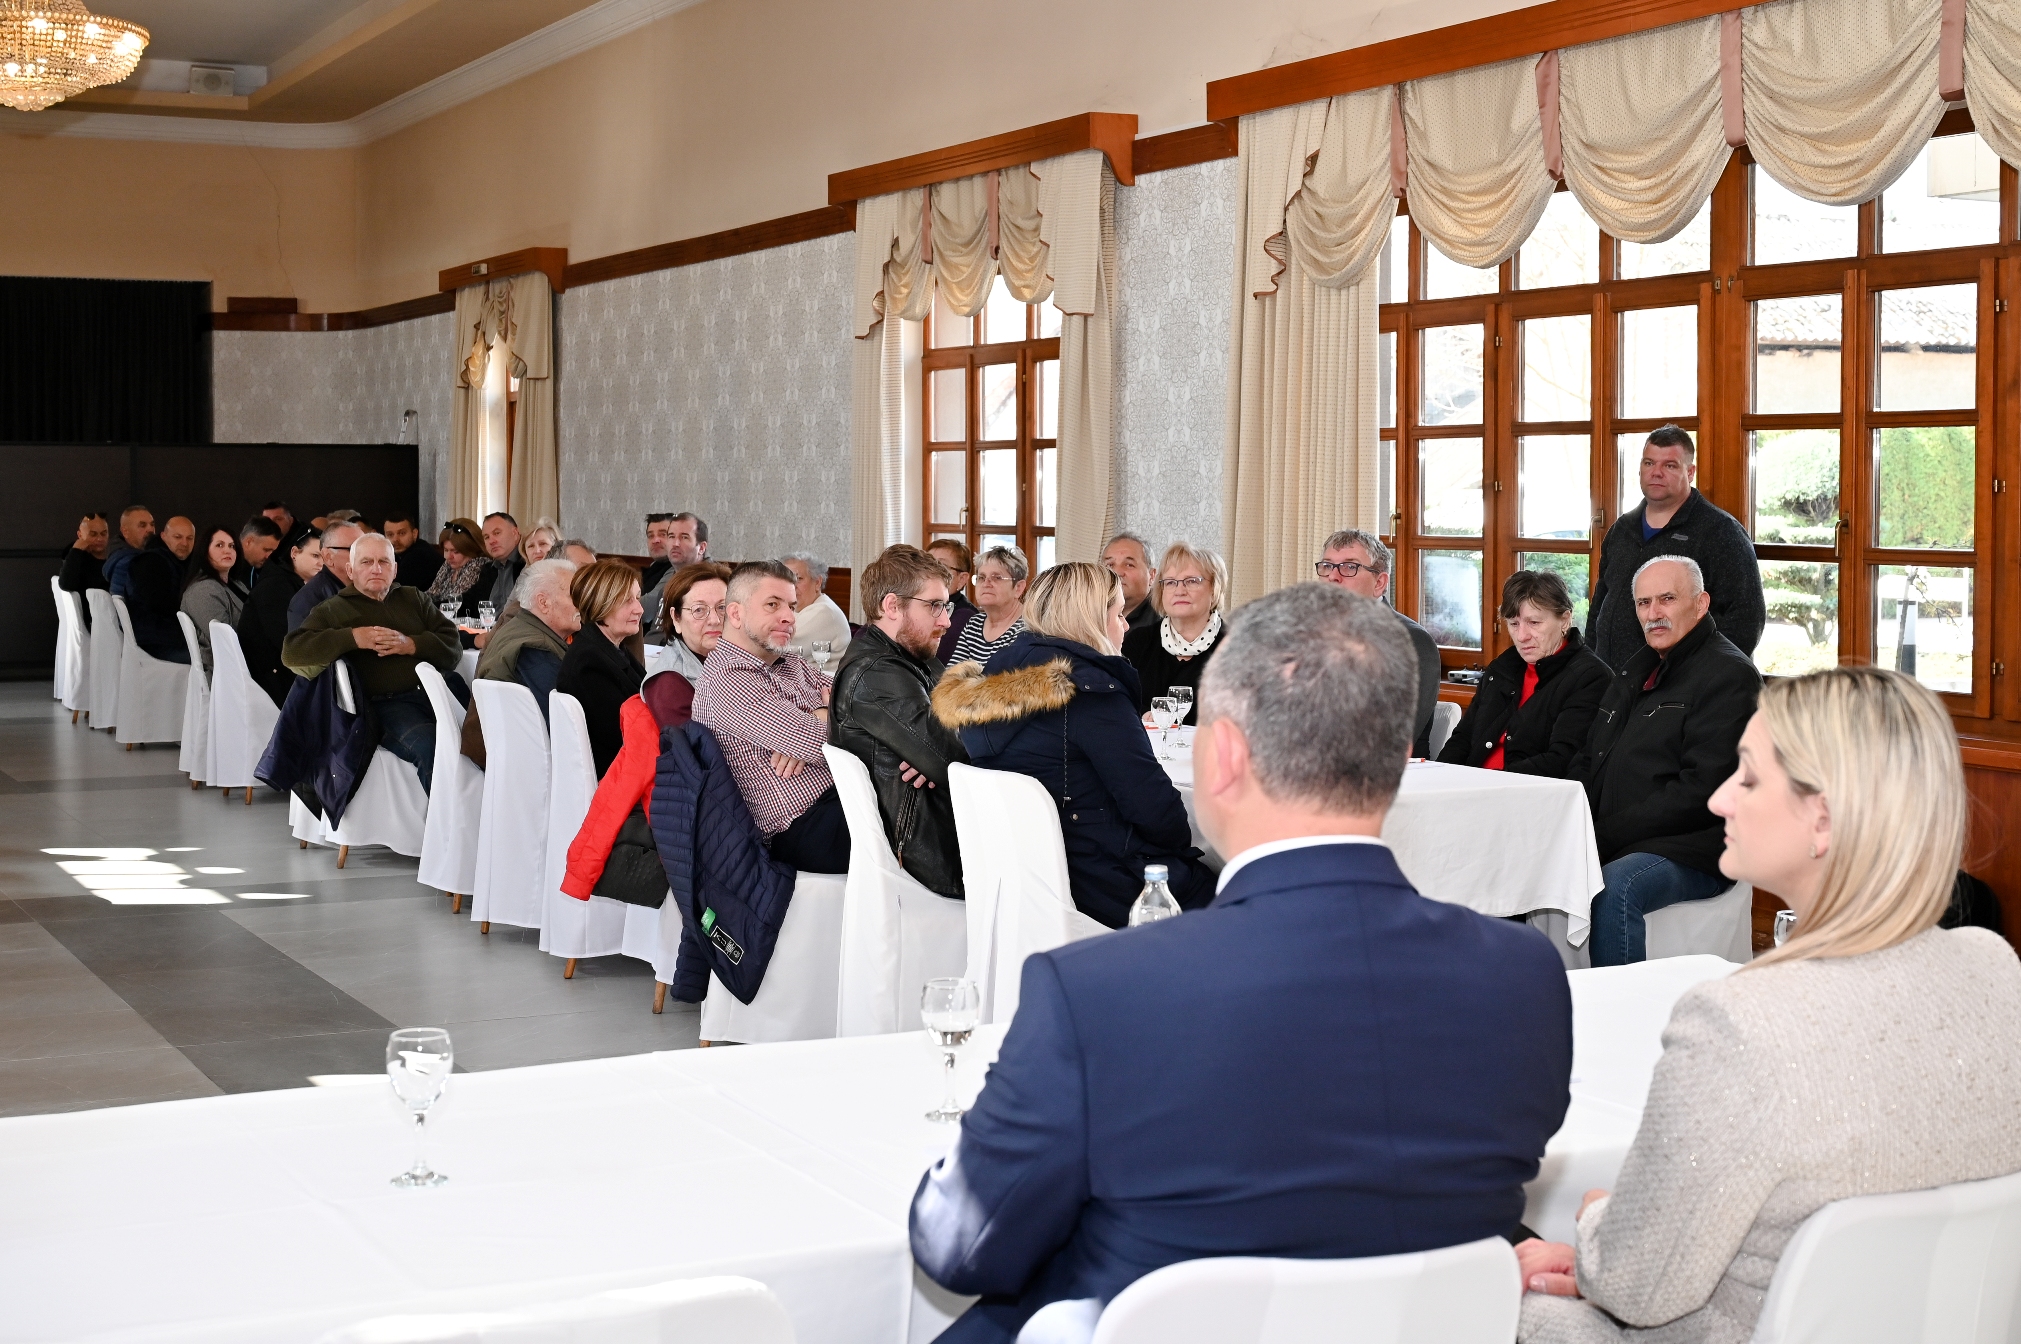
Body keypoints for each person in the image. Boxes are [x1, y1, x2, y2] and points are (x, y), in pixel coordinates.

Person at [913, 582, 1574, 1344]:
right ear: (1397, 761)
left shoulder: (1096, 992)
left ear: (1221, 755)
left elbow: (960, 1246)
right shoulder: (1524, 976)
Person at [1516, 666, 2021, 1344]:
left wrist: (1596, 1222)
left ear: (1822, 819)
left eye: (1748, 779)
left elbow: (1634, 1287)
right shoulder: (1995, 970)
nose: (1720, 798)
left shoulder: (1740, 1022)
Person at [932, 562, 1213, 928]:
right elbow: (1158, 813)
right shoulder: (1092, 694)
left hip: (1021, 883)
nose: (1126, 625)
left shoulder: (992, 679)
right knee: (1231, 890)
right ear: (1091, 620)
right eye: (1118, 614)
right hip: (1097, 883)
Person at [1568, 557, 1761, 966]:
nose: (1653, 613)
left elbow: (1701, 791)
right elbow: (1589, 758)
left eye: (1667, 599)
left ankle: (1619, 1006)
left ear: (1701, 603)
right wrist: (1569, 823)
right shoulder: (1635, 670)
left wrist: (1604, 836)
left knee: (1615, 885)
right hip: (1620, 836)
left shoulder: (1729, 675)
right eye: (1643, 603)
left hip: (1693, 848)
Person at [691, 560, 849, 874]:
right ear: (736, 614)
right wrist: (817, 726)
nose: (789, 616)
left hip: (840, 797)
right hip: (804, 826)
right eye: (773, 605)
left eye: (792, 606)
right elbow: (819, 742)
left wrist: (817, 715)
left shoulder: (787, 660)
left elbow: (856, 698)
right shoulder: (728, 679)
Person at [829, 545, 968, 899]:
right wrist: (940, 749)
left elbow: (960, 725)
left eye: (946, 605)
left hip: (940, 834)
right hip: (931, 859)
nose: (946, 621)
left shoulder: (913, 656)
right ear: (892, 606)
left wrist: (937, 748)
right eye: (934, 606)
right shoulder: (877, 672)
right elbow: (957, 760)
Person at [282, 533, 461, 792]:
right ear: (350, 570)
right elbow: (292, 653)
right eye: (366, 562)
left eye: (383, 562)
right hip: (386, 705)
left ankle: (486, 813)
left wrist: (411, 644)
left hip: (438, 695)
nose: (376, 569)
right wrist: (353, 638)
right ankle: (446, 818)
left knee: (482, 740)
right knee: (432, 748)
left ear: (394, 569)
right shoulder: (333, 609)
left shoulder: (413, 598)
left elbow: (453, 647)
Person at [1589, 425, 1765, 668]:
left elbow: (1746, 620)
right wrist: (1591, 667)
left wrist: (1699, 676)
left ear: (1690, 472)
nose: (1656, 473)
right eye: (1649, 463)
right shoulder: (1622, 529)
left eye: (1670, 465)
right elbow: (1599, 606)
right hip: (1610, 682)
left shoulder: (1720, 532)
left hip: (1682, 685)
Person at [1439, 570, 1611, 777]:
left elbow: (1562, 760)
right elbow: (1462, 739)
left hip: (1526, 791)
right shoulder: (1502, 668)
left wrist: (1486, 782)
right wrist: (1439, 778)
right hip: (1472, 786)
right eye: (1514, 624)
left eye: (1534, 623)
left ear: (1565, 620)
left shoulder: (1590, 677)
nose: (1521, 636)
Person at [1314, 528, 1441, 758]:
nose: (1333, 576)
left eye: (1349, 567)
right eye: (1327, 566)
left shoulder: (1411, 642)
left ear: (1379, 583)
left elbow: (1389, 740)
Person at [556, 559, 649, 777]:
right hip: (618, 777)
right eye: (627, 601)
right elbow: (624, 736)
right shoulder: (589, 662)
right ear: (601, 605)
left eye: (637, 598)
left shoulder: (610, 648)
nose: (639, 609)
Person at [1121, 542, 1227, 727]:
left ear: (1214, 589)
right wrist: (1144, 716)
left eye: (1192, 581)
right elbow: (1120, 701)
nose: (1180, 591)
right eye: (1170, 582)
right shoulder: (1138, 642)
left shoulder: (1236, 646)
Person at [469, 557, 578, 733]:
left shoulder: (521, 627)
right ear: (543, 602)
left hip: (503, 741)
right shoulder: (535, 649)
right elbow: (564, 722)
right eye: (574, 596)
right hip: (518, 746)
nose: (583, 603)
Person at [238, 529, 319, 706]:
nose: (321, 563)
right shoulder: (276, 586)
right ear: (294, 553)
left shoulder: (286, 580)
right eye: (315, 556)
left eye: (325, 558)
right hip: (270, 680)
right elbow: (286, 641)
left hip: (275, 670)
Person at [179, 525, 248, 678]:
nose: (227, 550)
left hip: (246, 661)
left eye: (232, 546)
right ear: (205, 552)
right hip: (226, 672)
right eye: (219, 545)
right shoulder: (203, 590)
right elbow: (224, 640)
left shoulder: (236, 584)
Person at [947, 544, 1028, 667]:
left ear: (1018, 588)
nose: (986, 583)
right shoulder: (974, 624)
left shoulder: (1028, 629)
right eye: (981, 577)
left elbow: (1005, 678)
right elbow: (952, 674)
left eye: (997, 578)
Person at [656, 561, 732, 682]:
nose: (714, 620)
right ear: (676, 618)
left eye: (722, 607)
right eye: (699, 610)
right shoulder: (670, 681)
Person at [640, 512, 708, 631]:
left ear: (701, 548)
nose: (675, 544)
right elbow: (656, 631)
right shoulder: (670, 576)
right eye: (671, 536)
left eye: (684, 537)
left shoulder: (712, 581)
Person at [289, 520, 358, 632]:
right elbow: (303, 642)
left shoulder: (371, 588)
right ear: (328, 556)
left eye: (365, 548)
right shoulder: (308, 599)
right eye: (354, 550)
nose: (364, 555)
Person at [782, 552, 852, 660]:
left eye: (798, 579)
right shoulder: (794, 608)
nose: (792, 586)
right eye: (786, 580)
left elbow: (779, 646)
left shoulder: (825, 612)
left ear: (818, 582)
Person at [424, 519, 495, 623]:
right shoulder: (448, 565)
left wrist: (422, 608)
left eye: (456, 552)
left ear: (471, 549)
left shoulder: (479, 565)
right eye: (446, 550)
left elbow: (456, 604)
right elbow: (432, 594)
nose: (448, 556)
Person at [1101, 532, 1160, 638]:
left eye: (1129, 565)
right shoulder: (1089, 616)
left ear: (1151, 575)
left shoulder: (1165, 622)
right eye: (1110, 565)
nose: (1117, 572)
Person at [927, 539, 977, 662]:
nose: (930, 571)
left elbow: (934, 662)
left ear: (962, 579)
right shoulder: (920, 603)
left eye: (941, 566)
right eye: (928, 564)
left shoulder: (965, 616)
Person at [59, 513, 110, 629]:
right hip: (96, 625)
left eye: (104, 533)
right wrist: (76, 550)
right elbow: (66, 584)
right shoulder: (78, 562)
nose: (99, 539)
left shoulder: (111, 560)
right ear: (80, 535)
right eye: (93, 534)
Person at [101, 504, 155, 592]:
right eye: (142, 525)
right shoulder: (126, 563)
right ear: (125, 532)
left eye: (152, 524)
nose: (150, 529)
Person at [480, 512, 524, 609]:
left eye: (497, 533)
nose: (491, 541)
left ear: (515, 533)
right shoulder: (488, 570)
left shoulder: (527, 564)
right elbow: (470, 603)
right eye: (486, 537)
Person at [385, 515, 441, 590]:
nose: (395, 539)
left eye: (402, 533)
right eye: (390, 534)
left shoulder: (420, 555)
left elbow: (396, 590)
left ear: (414, 534)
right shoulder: (395, 554)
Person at [237, 516, 283, 588]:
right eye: (266, 550)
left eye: (272, 551)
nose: (268, 556)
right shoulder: (228, 570)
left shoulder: (257, 568)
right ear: (248, 542)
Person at [639, 513, 677, 595]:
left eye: (663, 534)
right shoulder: (652, 568)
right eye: (651, 535)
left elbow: (651, 600)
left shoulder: (678, 569)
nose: (655, 540)